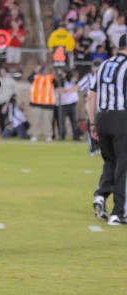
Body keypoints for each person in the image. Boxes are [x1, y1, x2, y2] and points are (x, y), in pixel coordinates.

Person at [87, 33, 127, 225]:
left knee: (110, 161)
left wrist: (93, 122)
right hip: (121, 117)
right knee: (123, 165)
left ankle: (101, 195)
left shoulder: (103, 65)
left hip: (102, 117)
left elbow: (91, 96)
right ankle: (118, 212)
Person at [28, 64, 57, 142]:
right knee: (36, 121)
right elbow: (29, 79)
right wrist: (35, 71)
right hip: (36, 103)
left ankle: (48, 135)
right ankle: (35, 135)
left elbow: (57, 84)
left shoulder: (51, 78)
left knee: (47, 121)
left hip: (48, 104)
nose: (43, 71)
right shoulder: (36, 77)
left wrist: (53, 74)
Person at [78, 60, 101, 155]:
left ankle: (100, 146)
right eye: (95, 66)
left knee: (101, 125)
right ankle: (93, 146)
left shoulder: (104, 76)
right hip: (92, 103)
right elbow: (79, 87)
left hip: (102, 104)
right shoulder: (88, 77)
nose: (96, 68)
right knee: (91, 123)